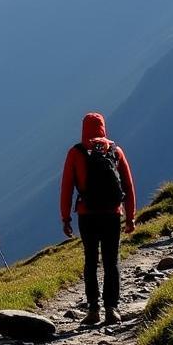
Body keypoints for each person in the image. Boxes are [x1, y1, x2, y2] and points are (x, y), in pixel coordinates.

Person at [60, 112, 136, 326]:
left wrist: (65, 218)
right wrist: (130, 217)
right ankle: (112, 309)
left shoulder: (75, 153)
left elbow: (66, 187)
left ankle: (93, 309)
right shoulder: (115, 151)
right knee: (112, 261)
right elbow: (128, 186)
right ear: (103, 127)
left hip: (87, 215)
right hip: (112, 214)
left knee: (91, 261)